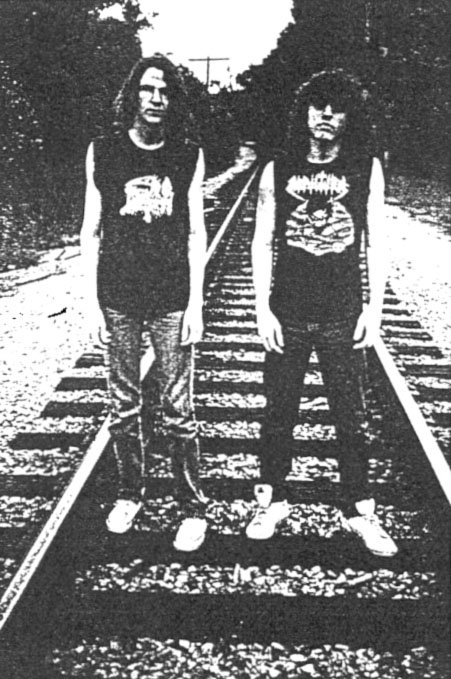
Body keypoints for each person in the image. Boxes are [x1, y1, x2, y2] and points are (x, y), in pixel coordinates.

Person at [248, 70, 397, 557]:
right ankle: (271, 500)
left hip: (342, 313)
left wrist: (374, 308)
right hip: (288, 311)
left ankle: (358, 509)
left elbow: (375, 241)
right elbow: (262, 241)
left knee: (352, 418)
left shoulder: (364, 167)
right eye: (318, 105)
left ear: (350, 116)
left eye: (337, 107)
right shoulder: (278, 168)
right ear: (304, 112)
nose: (327, 115)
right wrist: (262, 308)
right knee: (278, 412)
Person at [80, 54, 208, 551]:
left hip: (171, 297)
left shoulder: (187, 154)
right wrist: (91, 303)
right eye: (148, 89)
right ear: (133, 94)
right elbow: (91, 232)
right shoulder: (104, 151)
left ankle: (192, 507)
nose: (156, 99)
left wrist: (196, 305)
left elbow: (195, 233)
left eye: (165, 91)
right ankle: (130, 494)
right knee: (123, 405)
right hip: (118, 297)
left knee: (179, 409)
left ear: (174, 101)